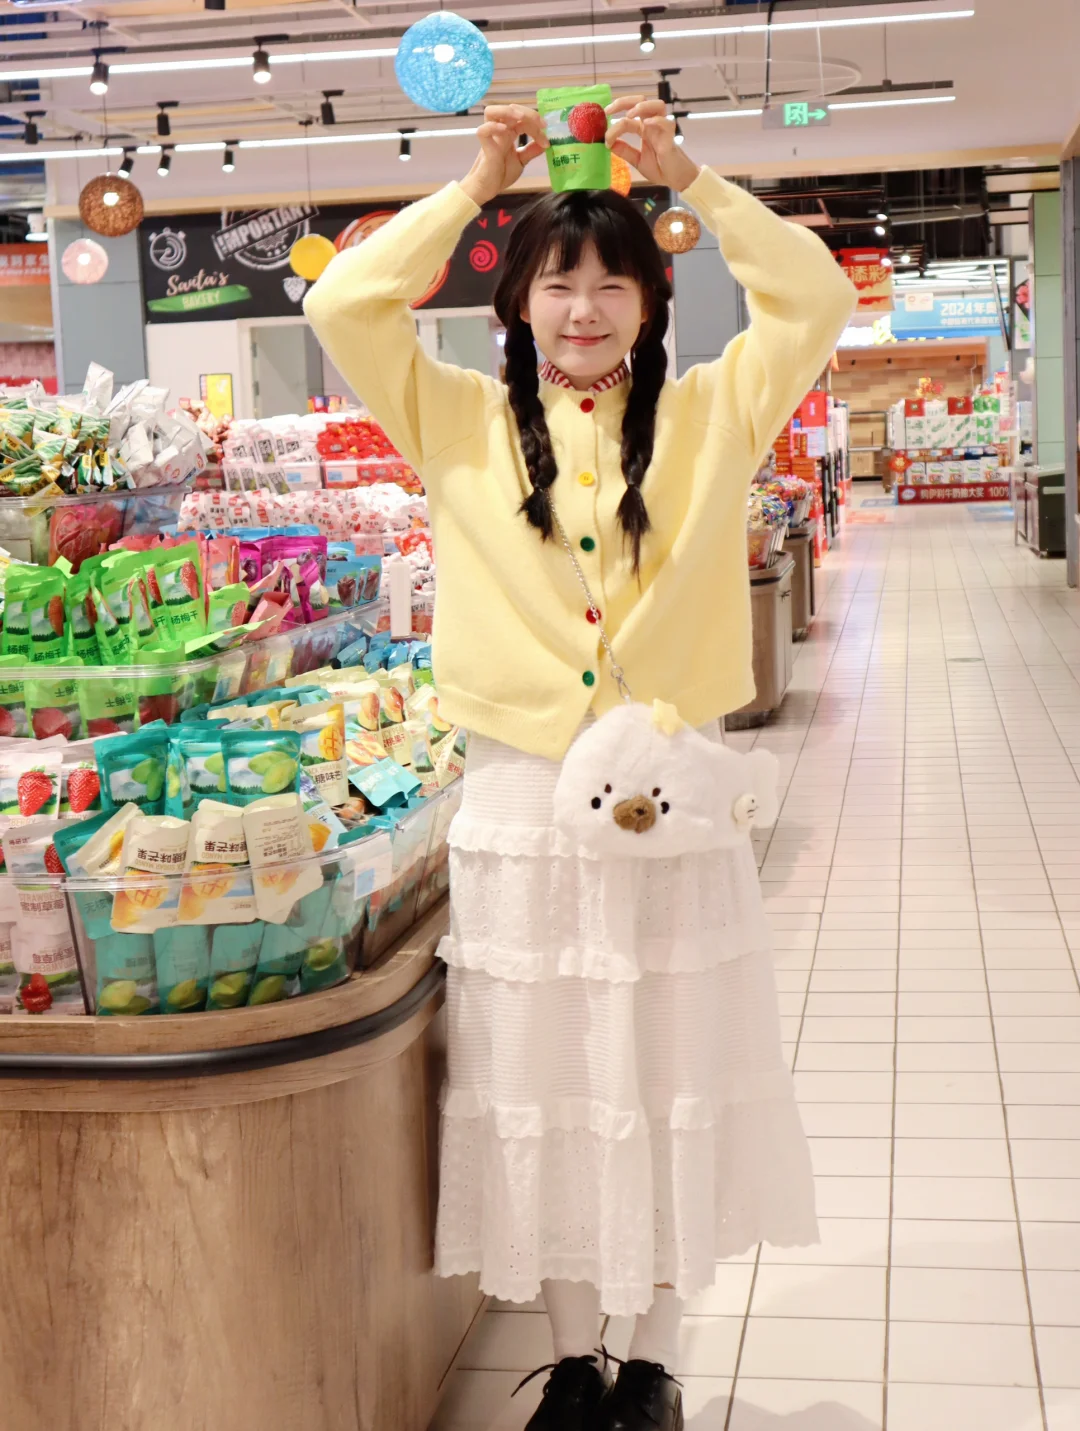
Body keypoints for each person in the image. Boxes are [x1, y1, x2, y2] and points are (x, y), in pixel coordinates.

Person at [306, 96, 855, 1431]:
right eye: (558, 282)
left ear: (654, 302)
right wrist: (472, 188)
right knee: (540, 1078)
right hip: (517, 794)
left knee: (669, 1068)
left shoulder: (717, 411)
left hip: (672, 790)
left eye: (614, 283)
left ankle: (654, 1360)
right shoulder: (454, 418)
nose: (586, 308)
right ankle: (571, 1360)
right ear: (518, 304)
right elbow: (344, 304)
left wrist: (695, 182)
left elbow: (817, 295)